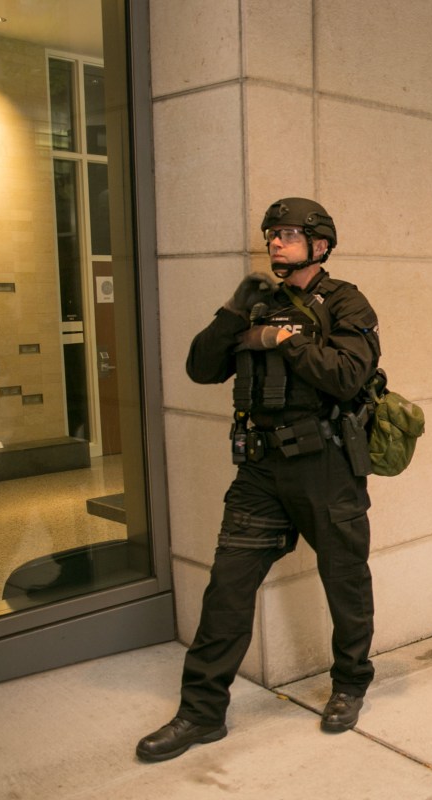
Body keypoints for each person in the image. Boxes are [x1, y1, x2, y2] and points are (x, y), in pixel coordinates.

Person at [137, 198, 381, 762]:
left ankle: (350, 684)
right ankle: (201, 713)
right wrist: (232, 312)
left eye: (288, 233)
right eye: (272, 233)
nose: (274, 241)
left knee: (345, 580)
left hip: (326, 467)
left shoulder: (346, 302)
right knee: (227, 586)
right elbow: (201, 368)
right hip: (260, 469)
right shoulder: (257, 304)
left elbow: (347, 376)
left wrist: (284, 341)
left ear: (320, 244)